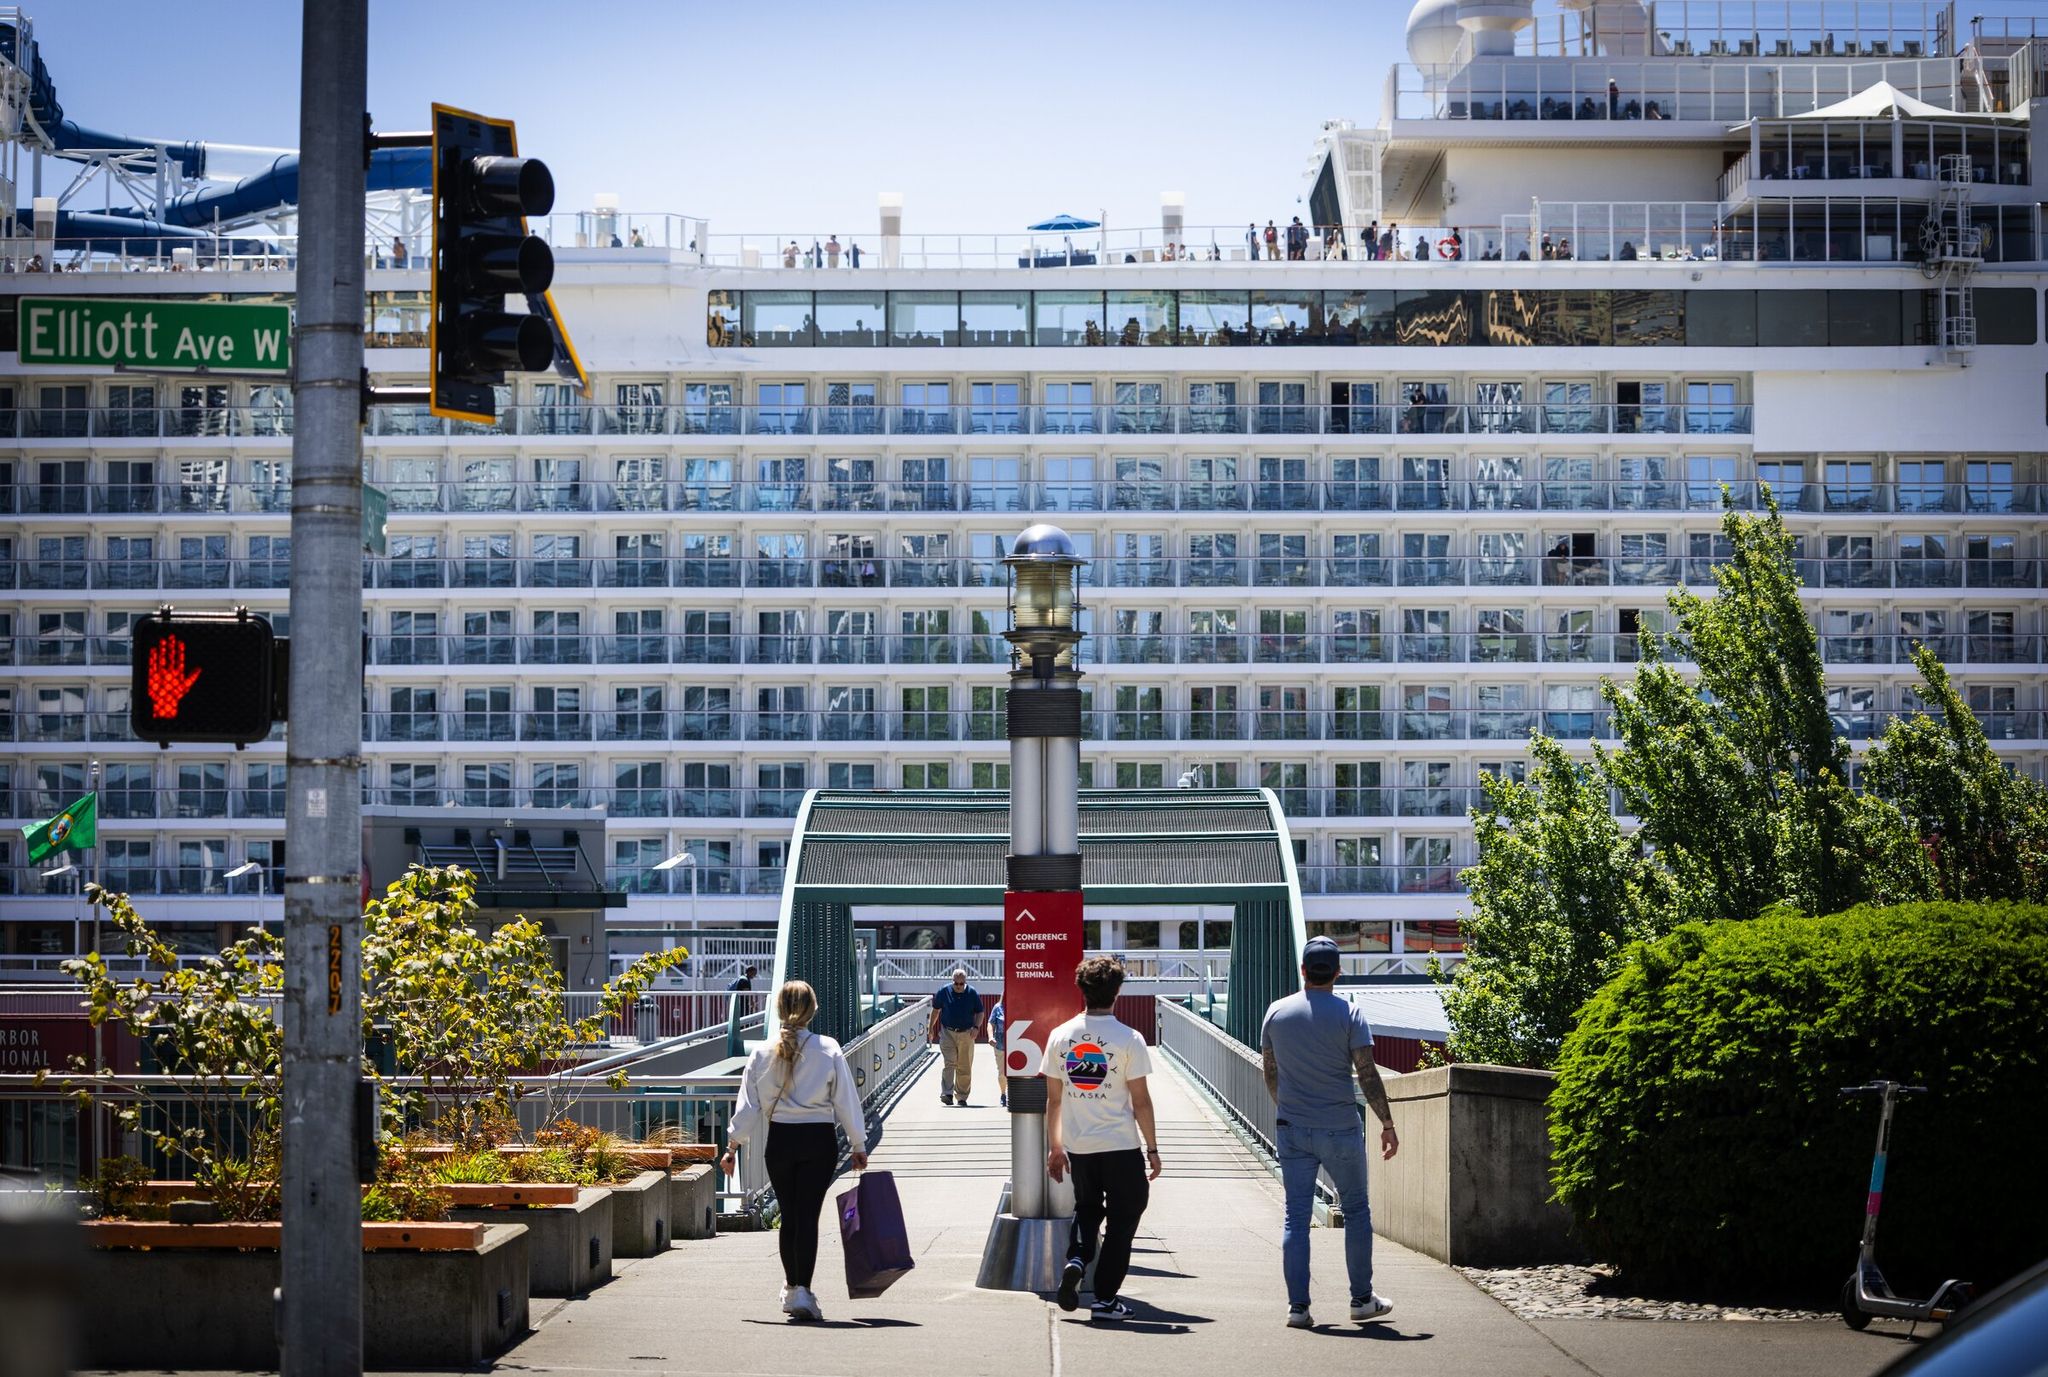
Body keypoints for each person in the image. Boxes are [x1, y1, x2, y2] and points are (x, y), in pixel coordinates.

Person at [1261, 937, 1398, 1329]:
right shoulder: (1351, 1014)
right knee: (1356, 1212)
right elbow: (1367, 1074)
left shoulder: (1276, 1012)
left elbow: (1270, 1071)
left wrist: (1286, 1108)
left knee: (1295, 1218)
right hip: (1340, 1127)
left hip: (1293, 1127)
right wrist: (1387, 1124)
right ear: (1337, 973)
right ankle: (1360, 1300)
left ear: (1303, 971)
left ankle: (1298, 1308)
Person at [720, 980, 869, 1322]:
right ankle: (803, 1290)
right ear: (812, 1009)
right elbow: (845, 1100)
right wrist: (858, 1144)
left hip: (781, 1141)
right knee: (808, 1217)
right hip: (819, 1140)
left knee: (789, 1216)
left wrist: (732, 1147)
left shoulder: (761, 1053)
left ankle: (793, 1289)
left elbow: (748, 1108)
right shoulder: (827, 1048)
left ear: (778, 1009)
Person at [1045, 957, 1160, 1323]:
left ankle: (1077, 1258)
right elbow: (1140, 1101)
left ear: (1081, 990)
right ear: (1117, 992)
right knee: (1124, 1221)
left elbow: (1055, 1099)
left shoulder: (1060, 1037)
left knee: (1087, 1207)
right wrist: (1153, 1149)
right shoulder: (1129, 1039)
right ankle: (1106, 1299)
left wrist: (1056, 1147)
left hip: (1080, 1147)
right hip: (1121, 1146)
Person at [927, 967, 985, 1105]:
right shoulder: (944, 991)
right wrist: (930, 1028)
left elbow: (980, 1012)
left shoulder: (972, 993)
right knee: (950, 1062)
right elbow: (936, 1010)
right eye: (956, 983)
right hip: (947, 1032)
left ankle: (962, 1096)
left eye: (961, 984)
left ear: (965, 982)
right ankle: (947, 1093)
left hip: (967, 1033)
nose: (959, 986)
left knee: (964, 1066)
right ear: (952, 981)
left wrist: (976, 1027)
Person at [989, 999, 1008, 1108]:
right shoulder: (998, 1007)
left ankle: (1013, 1094)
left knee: (1015, 1071)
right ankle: (1003, 1094)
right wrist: (991, 1036)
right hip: (1000, 1043)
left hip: (1016, 1044)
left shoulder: (1019, 1004)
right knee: (1002, 1071)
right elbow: (991, 1023)